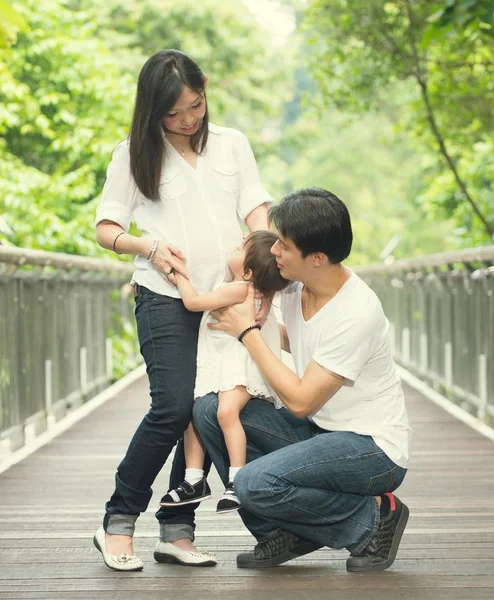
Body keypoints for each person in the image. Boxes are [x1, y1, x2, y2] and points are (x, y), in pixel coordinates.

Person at [92, 49, 273, 571]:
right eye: (172, 114)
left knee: (200, 410)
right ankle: (117, 523)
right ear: (152, 111)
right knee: (171, 407)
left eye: (194, 105)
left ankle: (177, 531)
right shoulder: (132, 153)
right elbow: (106, 229)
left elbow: (256, 207)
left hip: (226, 298)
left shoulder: (232, 144)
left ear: (206, 88)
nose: (187, 120)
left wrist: (262, 262)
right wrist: (148, 246)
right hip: (166, 295)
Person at [193, 187, 413, 572]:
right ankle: (283, 533)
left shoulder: (356, 313)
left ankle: (374, 520)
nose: (274, 251)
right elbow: (300, 340)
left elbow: (299, 400)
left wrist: (248, 333)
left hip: (372, 449)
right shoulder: (296, 286)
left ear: (316, 258)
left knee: (252, 483)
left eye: (284, 245)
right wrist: (253, 322)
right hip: (321, 430)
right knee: (210, 409)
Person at [159, 230, 289, 514]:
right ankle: (194, 480)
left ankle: (237, 479)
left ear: (248, 271)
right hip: (221, 363)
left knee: (225, 413)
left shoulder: (240, 288)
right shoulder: (246, 287)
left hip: (237, 367)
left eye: (241, 247)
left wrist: (180, 273)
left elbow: (192, 302)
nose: (235, 245)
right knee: (195, 412)